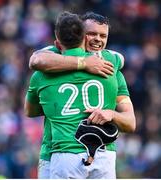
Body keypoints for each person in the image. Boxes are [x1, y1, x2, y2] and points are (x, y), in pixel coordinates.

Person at [25, 11, 136, 179]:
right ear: (79, 34)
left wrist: (111, 114)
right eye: (91, 33)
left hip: (66, 153)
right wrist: (83, 63)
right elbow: (36, 60)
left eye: (103, 35)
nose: (98, 39)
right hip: (58, 152)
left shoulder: (110, 67)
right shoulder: (111, 64)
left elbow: (130, 123)